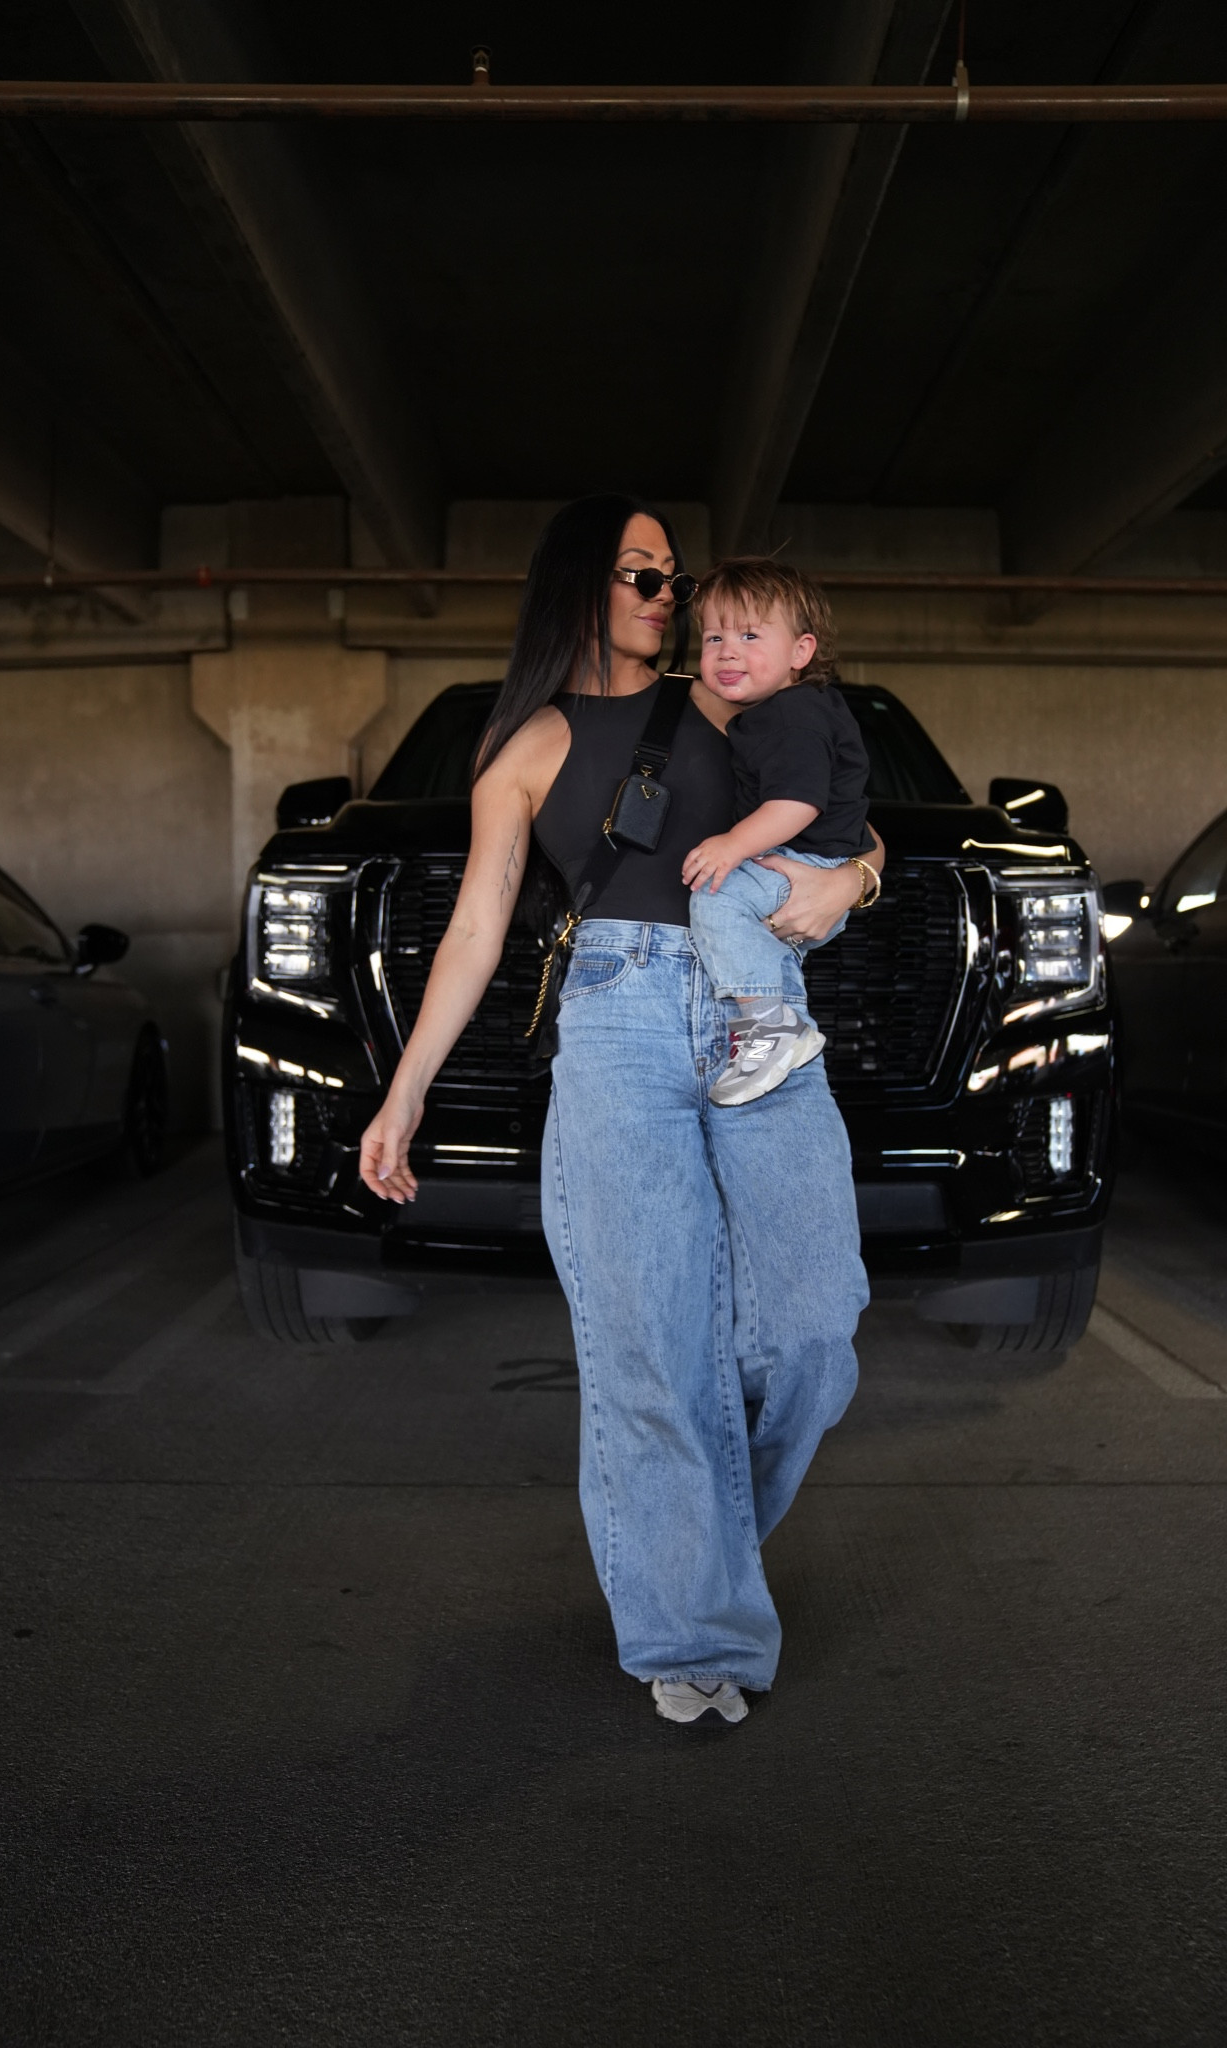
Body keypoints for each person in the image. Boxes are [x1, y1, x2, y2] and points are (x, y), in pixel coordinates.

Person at [358, 495, 882, 1729]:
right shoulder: (527, 738)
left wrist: (852, 878)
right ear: (576, 584)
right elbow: (481, 921)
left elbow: (847, 813)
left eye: (673, 575)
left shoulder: (728, 695)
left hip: (758, 1007)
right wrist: (406, 1087)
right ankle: (691, 1623)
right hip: (617, 1016)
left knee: (813, 1328)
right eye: (641, 574)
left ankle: (688, 1542)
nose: (670, 595)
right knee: (654, 1344)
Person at [683, 557, 879, 1106]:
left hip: (807, 867)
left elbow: (798, 803)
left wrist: (732, 846)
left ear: (801, 652)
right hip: (815, 865)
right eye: (714, 635)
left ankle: (771, 1027)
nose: (727, 649)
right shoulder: (788, 712)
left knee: (716, 899)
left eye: (750, 634)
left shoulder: (793, 715)